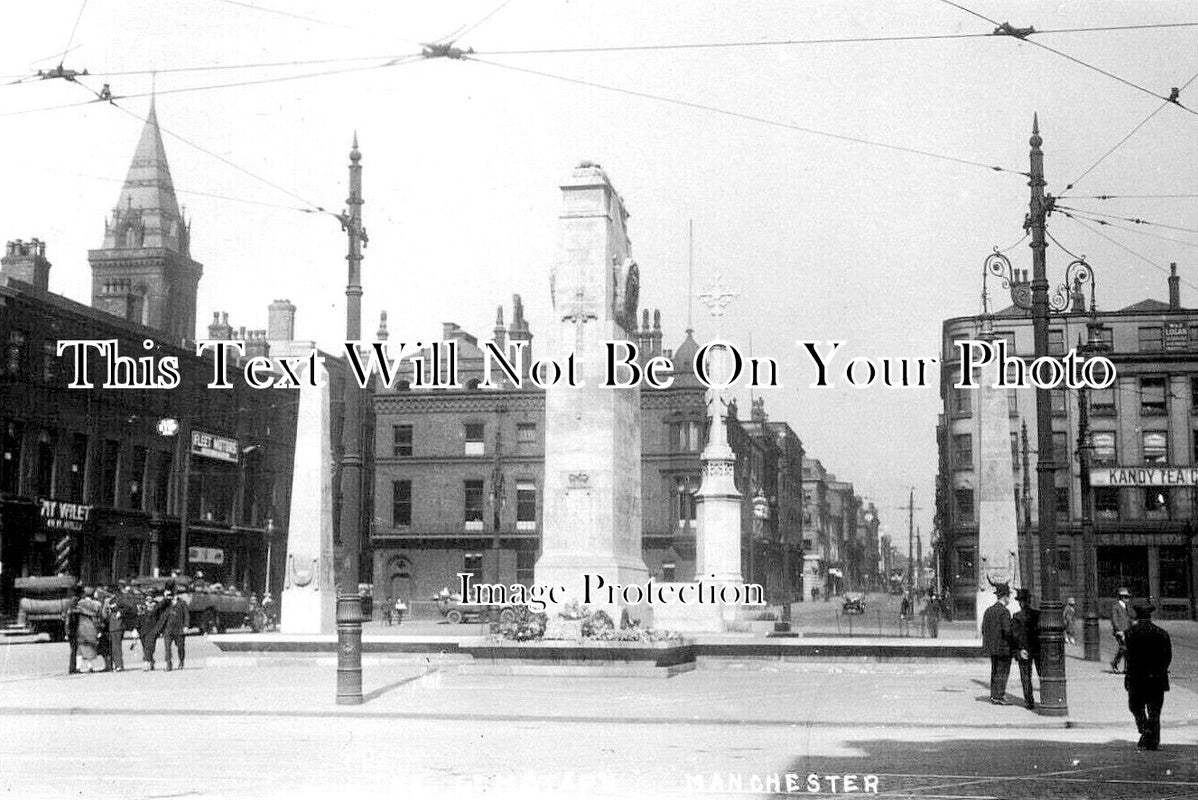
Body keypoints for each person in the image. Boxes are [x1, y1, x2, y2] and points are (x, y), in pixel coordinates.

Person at [1124, 601, 1172, 750]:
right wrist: (1160, 670)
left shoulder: (1130, 633)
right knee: (1155, 711)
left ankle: (1145, 729)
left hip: (1137, 679)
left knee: (1135, 707)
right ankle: (1153, 740)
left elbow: (1129, 658)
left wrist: (1127, 677)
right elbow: (1167, 657)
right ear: (1150, 615)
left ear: (1137, 616)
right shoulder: (1162, 633)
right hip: (1157, 679)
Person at [981, 582, 1014, 705]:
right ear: (1005, 597)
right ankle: (999, 696)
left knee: (994, 671)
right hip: (1003, 648)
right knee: (1003, 672)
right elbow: (1007, 631)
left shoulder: (988, 611)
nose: (1009, 599)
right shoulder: (1004, 612)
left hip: (992, 648)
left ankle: (994, 695)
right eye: (1008, 597)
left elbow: (984, 629)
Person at [1012, 589, 1040, 710]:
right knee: (1041, 675)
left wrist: (1019, 650)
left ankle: (1029, 701)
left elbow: (1014, 636)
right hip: (1037, 649)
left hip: (1024, 650)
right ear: (1029, 601)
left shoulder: (1017, 616)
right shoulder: (1037, 614)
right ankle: (1045, 698)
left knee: (1025, 677)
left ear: (1020, 602)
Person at [138, 591, 169, 671]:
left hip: (153, 629)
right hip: (142, 629)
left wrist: (165, 597)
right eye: (147, 596)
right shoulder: (142, 605)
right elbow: (138, 617)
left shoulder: (156, 605)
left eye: (150, 596)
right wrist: (135, 628)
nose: (149, 598)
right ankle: (151, 661)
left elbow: (162, 605)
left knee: (150, 645)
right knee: (145, 646)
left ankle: (146, 662)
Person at [75, 587, 103, 673]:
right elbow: (98, 617)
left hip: (82, 627)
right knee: (90, 648)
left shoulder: (80, 603)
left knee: (80, 649)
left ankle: (78, 667)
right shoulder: (97, 604)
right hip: (92, 628)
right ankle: (90, 666)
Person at [161, 589, 189, 671]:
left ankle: (181, 661)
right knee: (167, 647)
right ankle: (169, 664)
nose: (171, 596)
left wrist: (186, 626)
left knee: (180, 646)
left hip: (179, 628)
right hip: (167, 629)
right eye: (168, 595)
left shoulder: (182, 603)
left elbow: (186, 615)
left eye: (172, 595)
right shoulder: (165, 604)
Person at [1111, 587, 1135, 674]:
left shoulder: (1127, 607)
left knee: (1128, 649)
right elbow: (1114, 620)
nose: (1127, 599)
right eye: (1126, 597)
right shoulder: (1116, 607)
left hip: (1128, 631)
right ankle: (1114, 663)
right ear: (1121, 597)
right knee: (1123, 648)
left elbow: (1130, 618)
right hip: (1120, 632)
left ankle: (1127, 668)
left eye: (1128, 597)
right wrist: (1118, 630)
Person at [102, 589, 126, 672]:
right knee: (115, 647)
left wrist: (120, 612)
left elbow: (105, 615)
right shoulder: (113, 600)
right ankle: (117, 665)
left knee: (116, 647)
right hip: (113, 626)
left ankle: (119, 665)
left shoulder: (119, 601)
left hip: (117, 626)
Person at [65, 584, 83, 675]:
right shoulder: (74, 604)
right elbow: (70, 620)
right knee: (74, 650)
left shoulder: (70, 604)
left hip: (71, 631)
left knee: (73, 650)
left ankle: (73, 668)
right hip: (73, 631)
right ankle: (73, 668)